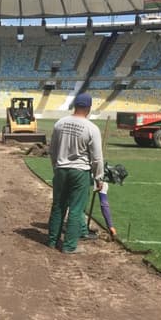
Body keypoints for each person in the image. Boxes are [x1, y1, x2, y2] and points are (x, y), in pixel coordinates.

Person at [47, 93, 104, 254]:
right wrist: (99, 178)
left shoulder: (60, 123)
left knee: (58, 206)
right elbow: (97, 158)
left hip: (61, 169)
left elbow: (52, 150)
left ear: (75, 106)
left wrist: (55, 167)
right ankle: (69, 246)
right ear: (88, 108)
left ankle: (52, 240)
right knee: (76, 209)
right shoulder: (91, 128)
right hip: (80, 172)